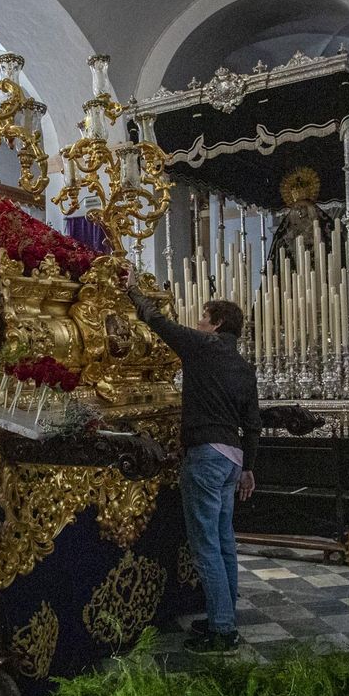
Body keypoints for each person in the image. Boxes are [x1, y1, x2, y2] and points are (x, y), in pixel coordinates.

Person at [122, 268, 260, 653]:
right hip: (232, 459)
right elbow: (253, 425)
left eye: (202, 317)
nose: (197, 323)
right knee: (224, 541)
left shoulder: (202, 346)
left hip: (207, 456)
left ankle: (222, 630)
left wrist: (133, 290)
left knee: (206, 546)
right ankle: (224, 616)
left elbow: (157, 322)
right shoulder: (244, 367)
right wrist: (248, 467)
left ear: (215, 325)